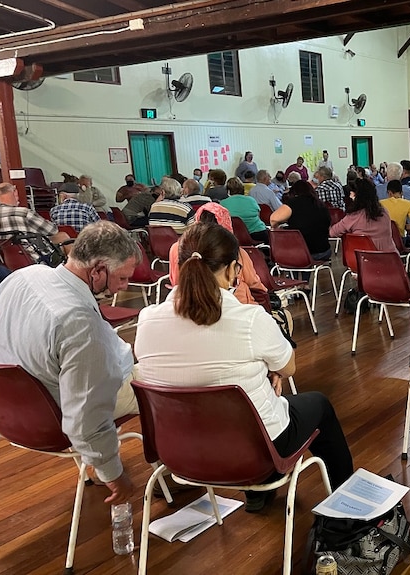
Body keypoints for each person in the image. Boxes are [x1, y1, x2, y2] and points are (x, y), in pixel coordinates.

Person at [135, 222, 354, 510]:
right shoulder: (251, 319)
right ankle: (351, 506)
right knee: (318, 405)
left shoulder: (147, 319)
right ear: (230, 270)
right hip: (254, 457)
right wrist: (271, 368)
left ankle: (258, 496)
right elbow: (289, 368)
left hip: (180, 454)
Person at [0, 221, 142, 504]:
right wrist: (115, 475)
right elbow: (85, 417)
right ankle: (176, 474)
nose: (123, 287)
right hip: (57, 416)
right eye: (122, 278)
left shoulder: (23, 276)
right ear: (98, 270)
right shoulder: (78, 322)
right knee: (163, 383)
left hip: (6, 411)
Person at [169, 203, 266, 305]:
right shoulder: (235, 251)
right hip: (237, 303)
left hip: (186, 303)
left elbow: (176, 281)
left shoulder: (177, 248)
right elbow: (253, 283)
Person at [0, 182, 71, 250]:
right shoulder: (24, 213)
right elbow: (52, 230)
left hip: (9, 257)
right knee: (62, 236)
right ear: (15, 192)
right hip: (31, 254)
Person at [269, 180, 332, 261]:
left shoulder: (293, 203)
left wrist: (276, 228)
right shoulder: (321, 204)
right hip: (323, 251)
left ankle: (292, 272)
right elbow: (328, 227)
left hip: (299, 252)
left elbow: (273, 219)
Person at [328, 178, 396, 251]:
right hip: (390, 258)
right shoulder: (384, 212)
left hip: (364, 259)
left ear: (358, 196)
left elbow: (332, 233)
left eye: (352, 193)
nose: (350, 196)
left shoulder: (353, 216)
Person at [221, 177, 268, 242]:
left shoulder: (223, 203)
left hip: (236, 237)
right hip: (259, 233)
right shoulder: (251, 200)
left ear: (228, 191)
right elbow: (258, 216)